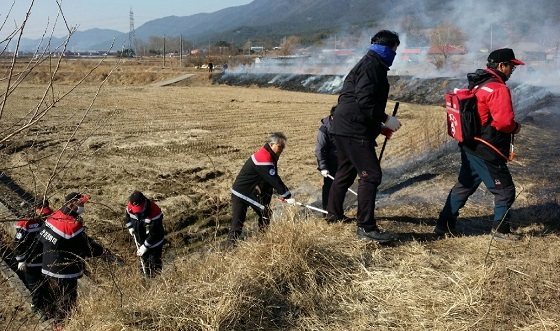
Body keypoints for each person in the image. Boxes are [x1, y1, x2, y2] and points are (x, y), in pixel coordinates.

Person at [434, 48, 524, 241]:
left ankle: (443, 224)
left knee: (464, 185)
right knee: (505, 190)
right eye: (511, 67)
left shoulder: (479, 83)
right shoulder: (499, 89)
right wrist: (516, 128)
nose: (512, 71)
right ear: (501, 65)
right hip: (486, 148)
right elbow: (504, 123)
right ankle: (500, 230)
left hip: (470, 145)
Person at [326, 30, 402, 243]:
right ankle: (366, 228)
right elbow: (364, 101)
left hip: (343, 126)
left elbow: (356, 102)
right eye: (395, 50)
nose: (395, 55)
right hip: (353, 129)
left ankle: (333, 215)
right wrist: (386, 119)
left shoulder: (369, 62)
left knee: (345, 171)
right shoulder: (372, 66)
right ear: (387, 49)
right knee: (371, 175)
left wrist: (378, 128)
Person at [39, 192, 107, 322]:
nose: (83, 206)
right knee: (67, 299)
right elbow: (86, 247)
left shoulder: (54, 216)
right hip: (64, 269)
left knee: (54, 295)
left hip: (47, 264)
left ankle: (50, 317)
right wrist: (102, 252)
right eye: (81, 203)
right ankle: (62, 324)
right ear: (71, 204)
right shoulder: (72, 226)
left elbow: (43, 237)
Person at [227, 132, 295, 245]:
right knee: (238, 223)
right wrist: (287, 195)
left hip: (251, 191)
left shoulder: (269, 155)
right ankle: (229, 249)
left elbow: (267, 180)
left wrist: (280, 194)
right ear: (271, 144)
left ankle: (263, 240)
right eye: (280, 146)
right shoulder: (263, 157)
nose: (282, 149)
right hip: (243, 192)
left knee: (265, 213)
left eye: (283, 147)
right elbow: (273, 178)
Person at [13, 198, 53, 320]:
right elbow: (18, 242)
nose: (44, 215)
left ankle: (47, 305)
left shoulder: (50, 217)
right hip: (31, 261)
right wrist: (21, 259)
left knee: (45, 285)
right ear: (35, 209)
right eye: (42, 212)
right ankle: (36, 307)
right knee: (36, 286)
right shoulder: (26, 222)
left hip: (45, 259)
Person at [125, 191, 165, 276]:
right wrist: (130, 227)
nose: (136, 212)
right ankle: (144, 278)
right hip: (140, 240)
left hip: (155, 243)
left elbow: (155, 232)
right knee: (143, 263)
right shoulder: (130, 207)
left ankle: (156, 280)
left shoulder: (154, 212)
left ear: (144, 202)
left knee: (154, 263)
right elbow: (128, 217)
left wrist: (145, 246)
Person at [315, 106, 339, 213]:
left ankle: (337, 210)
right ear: (333, 116)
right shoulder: (324, 129)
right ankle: (327, 211)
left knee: (340, 186)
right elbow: (320, 150)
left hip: (342, 160)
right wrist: (323, 167)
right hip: (331, 162)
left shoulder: (344, 125)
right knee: (329, 187)